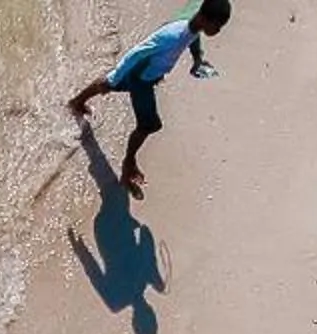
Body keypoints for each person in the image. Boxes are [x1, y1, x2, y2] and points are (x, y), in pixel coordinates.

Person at [70, 3, 228, 199]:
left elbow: (194, 39)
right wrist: (117, 75)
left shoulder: (194, 24)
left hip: (148, 76)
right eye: (217, 26)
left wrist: (197, 58)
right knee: (149, 124)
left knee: (110, 85)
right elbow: (137, 53)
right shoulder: (172, 36)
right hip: (141, 80)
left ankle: (77, 101)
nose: (218, 31)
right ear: (204, 19)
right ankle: (128, 164)